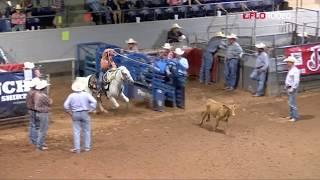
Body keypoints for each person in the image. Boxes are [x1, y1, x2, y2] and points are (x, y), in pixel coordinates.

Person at [64, 81, 97, 153]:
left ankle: (77, 149)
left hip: (75, 114)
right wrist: (91, 109)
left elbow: (65, 105)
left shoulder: (71, 95)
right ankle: (87, 148)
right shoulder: (86, 94)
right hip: (85, 113)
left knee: (76, 131)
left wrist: (69, 112)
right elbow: (94, 101)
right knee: (87, 131)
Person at [34, 80, 52, 151]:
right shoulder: (43, 96)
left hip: (38, 112)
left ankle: (40, 145)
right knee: (43, 130)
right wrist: (50, 100)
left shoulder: (37, 94)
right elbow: (50, 102)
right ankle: (39, 146)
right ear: (44, 88)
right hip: (43, 113)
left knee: (40, 129)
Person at [284, 56, 300, 122]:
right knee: (290, 102)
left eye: (288, 62)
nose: (287, 63)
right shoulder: (291, 69)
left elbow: (296, 81)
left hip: (292, 88)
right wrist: (286, 86)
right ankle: (291, 115)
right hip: (289, 88)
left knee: (292, 103)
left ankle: (295, 117)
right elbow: (289, 80)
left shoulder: (295, 70)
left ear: (292, 62)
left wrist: (293, 88)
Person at [26, 77, 41, 145]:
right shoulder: (36, 93)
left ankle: (32, 140)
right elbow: (37, 103)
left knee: (32, 125)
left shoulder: (29, 92)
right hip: (35, 110)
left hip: (30, 110)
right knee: (37, 125)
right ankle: (36, 140)